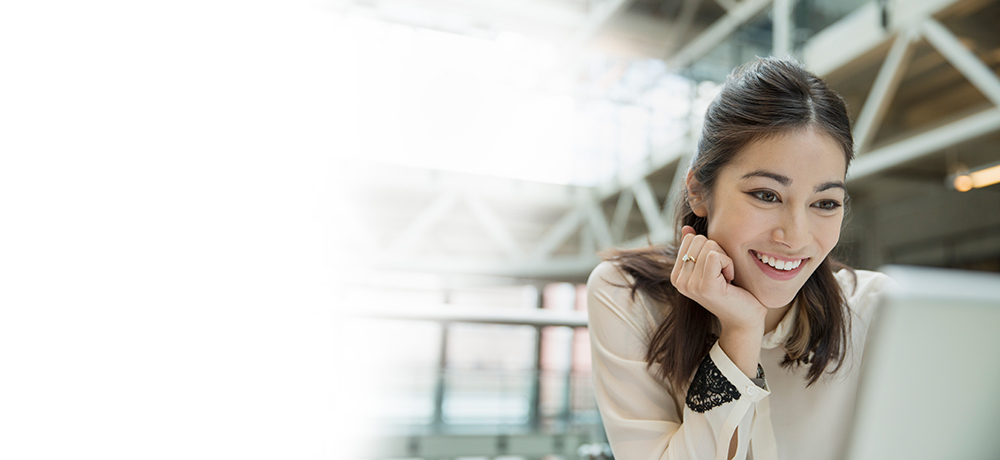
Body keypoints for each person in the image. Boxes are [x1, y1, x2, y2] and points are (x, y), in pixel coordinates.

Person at [586, 57, 895, 460]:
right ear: (698, 191)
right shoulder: (628, 295)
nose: (796, 237)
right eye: (766, 195)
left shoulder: (879, 309)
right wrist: (740, 333)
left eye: (825, 202)